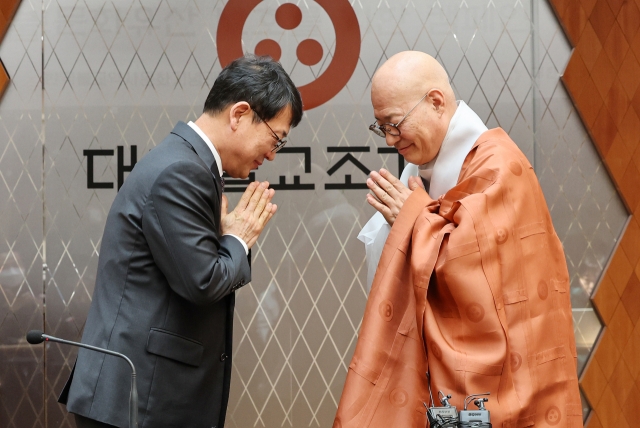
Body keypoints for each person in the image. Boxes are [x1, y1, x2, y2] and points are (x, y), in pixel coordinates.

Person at [334, 51, 581, 427]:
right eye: (380, 127)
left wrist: (415, 219)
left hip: (507, 378)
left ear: (436, 102)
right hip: (442, 385)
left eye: (394, 123)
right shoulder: (418, 168)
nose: (389, 139)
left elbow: (476, 272)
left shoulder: (499, 167)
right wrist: (414, 219)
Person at [58, 54, 303, 428]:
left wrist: (228, 239)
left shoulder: (187, 162)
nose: (272, 154)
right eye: (276, 139)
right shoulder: (183, 171)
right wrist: (238, 238)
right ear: (239, 114)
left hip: (141, 396)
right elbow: (201, 282)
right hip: (137, 402)